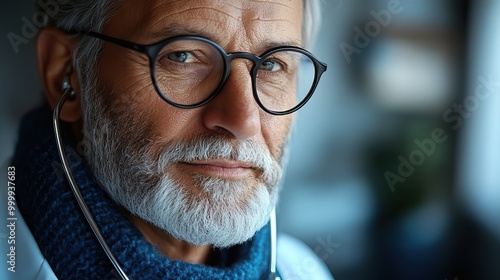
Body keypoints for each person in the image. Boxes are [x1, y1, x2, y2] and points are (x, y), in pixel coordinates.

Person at [2, 0, 330, 279]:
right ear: (65, 73)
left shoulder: (303, 270)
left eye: (272, 64)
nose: (243, 120)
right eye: (183, 56)